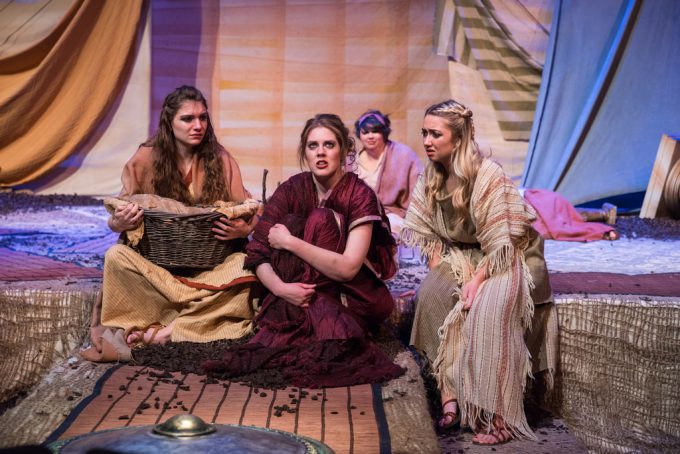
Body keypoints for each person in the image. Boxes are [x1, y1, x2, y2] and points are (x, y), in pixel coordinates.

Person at [203, 114, 404, 387]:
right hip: (294, 292)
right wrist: (281, 289)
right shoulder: (293, 188)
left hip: (349, 296)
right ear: (304, 151)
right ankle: (303, 317)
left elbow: (347, 269)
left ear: (344, 150)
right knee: (290, 223)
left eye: (329, 145)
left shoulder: (359, 195)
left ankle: (317, 324)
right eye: (313, 146)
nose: (320, 153)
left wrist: (291, 243)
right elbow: (258, 250)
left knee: (319, 220)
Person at [400, 100, 558, 445]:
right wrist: (443, 274)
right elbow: (430, 240)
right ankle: (449, 396)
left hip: (508, 255)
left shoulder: (487, 175)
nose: (427, 140)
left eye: (435, 134)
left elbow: (504, 241)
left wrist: (476, 281)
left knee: (488, 309)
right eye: (424, 133)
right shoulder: (430, 175)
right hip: (464, 255)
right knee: (431, 295)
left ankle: (498, 415)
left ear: (457, 139)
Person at [83, 86, 258, 361]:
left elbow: (250, 208)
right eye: (188, 119)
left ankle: (167, 331)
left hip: (208, 271)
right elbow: (118, 214)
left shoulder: (220, 158)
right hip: (158, 271)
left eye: (203, 118)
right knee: (116, 257)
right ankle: (194, 322)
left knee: (246, 268)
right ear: (169, 121)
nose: (197, 125)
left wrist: (246, 228)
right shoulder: (146, 157)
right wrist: (119, 222)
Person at [348, 110, 423, 235]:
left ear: (384, 132)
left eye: (375, 131)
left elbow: (418, 192)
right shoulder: (351, 162)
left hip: (394, 216)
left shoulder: (404, 155)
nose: (370, 136)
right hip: (360, 216)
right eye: (365, 132)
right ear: (359, 135)